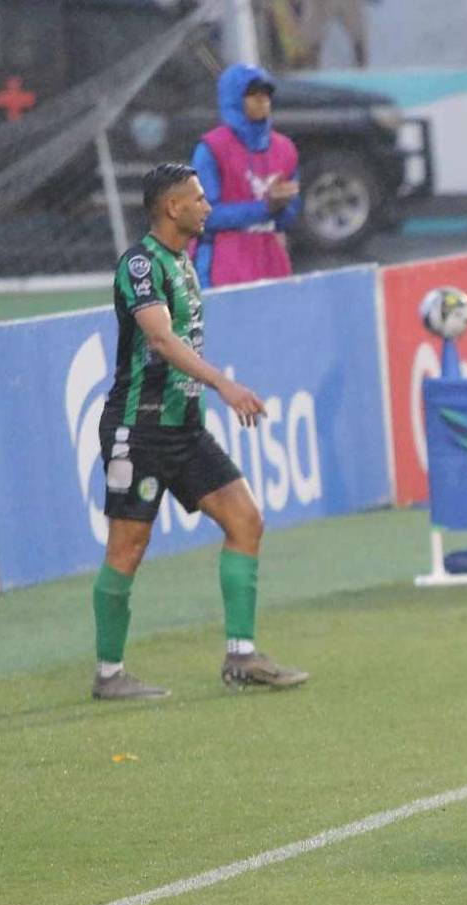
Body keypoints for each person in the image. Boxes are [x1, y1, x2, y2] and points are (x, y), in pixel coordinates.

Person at [90, 163, 308, 700]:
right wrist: (224, 384)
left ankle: (241, 656)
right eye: (199, 199)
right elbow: (161, 341)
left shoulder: (184, 262)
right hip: (138, 430)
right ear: (173, 207)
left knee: (245, 519)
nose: (208, 207)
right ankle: (109, 674)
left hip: (185, 430)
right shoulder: (140, 264)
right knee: (128, 547)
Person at [191, 64, 300, 289]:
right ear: (234, 99)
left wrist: (284, 205)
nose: (262, 100)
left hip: (272, 262)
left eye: (266, 93)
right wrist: (265, 208)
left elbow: (289, 217)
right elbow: (203, 215)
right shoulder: (212, 148)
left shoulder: (284, 148)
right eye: (252, 93)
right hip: (223, 264)